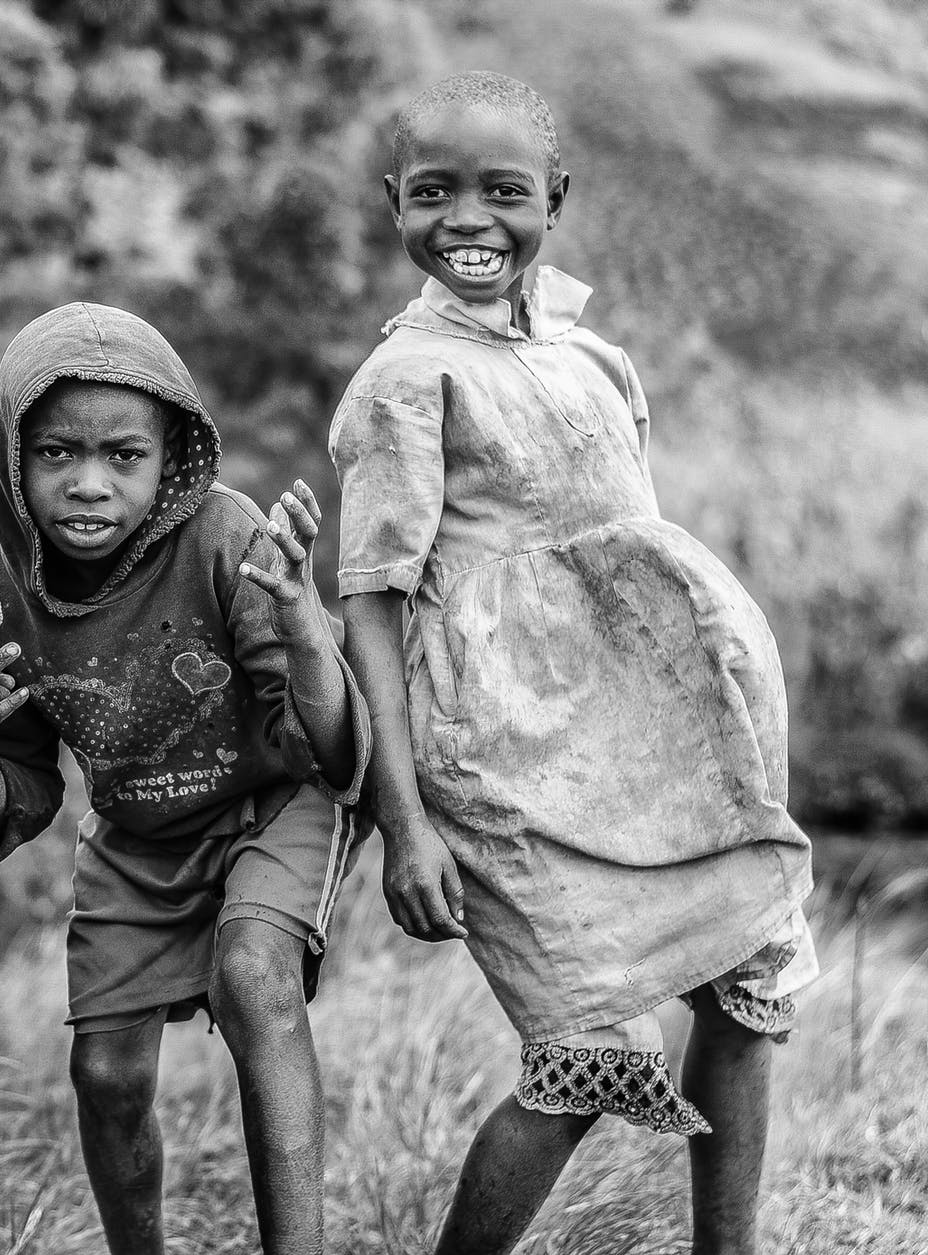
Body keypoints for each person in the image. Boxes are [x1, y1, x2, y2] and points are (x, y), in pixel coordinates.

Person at [332, 72, 815, 1255]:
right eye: (433, 192)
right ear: (393, 203)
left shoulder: (592, 355)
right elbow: (370, 607)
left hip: (658, 738)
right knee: (589, 1056)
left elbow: (624, 561)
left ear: (552, 198)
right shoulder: (405, 383)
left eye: (502, 191)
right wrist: (404, 821)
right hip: (505, 762)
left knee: (744, 991)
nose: (467, 219)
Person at [0, 302, 370, 1255]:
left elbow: (330, 753)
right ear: (13, 457)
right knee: (106, 1076)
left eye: (123, 457)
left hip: (272, 799)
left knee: (254, 974)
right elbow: (15, 805)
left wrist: (304, 632)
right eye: (56, 455)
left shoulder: (225, 537)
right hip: (136, 833)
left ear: (170, 454)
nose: (90, 486)